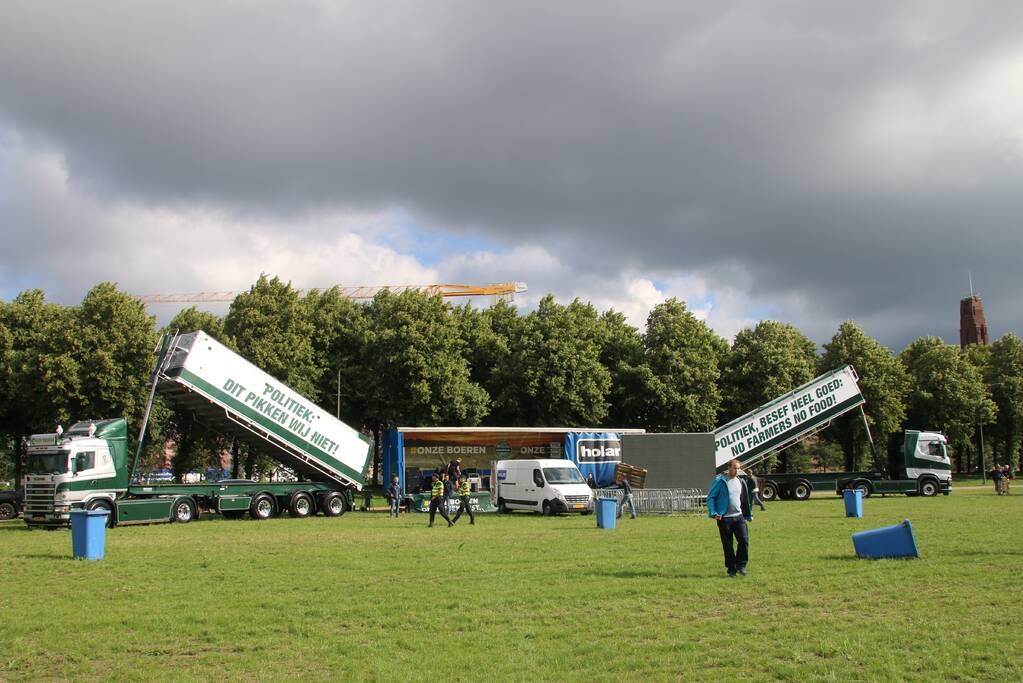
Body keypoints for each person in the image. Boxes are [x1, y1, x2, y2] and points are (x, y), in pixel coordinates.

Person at [707, 459, 753, 578]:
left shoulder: (741, 481)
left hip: (739, 517)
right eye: (735, 468)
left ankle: (741, 566)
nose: (737, 470)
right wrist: (713, 512)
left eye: (739, 468)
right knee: (728, 545)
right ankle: (731, 570)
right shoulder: (720, 481)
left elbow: (745, 500)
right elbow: (711, 497)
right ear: (729, 468)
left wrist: (748, 514)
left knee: (744, 541)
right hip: (724, 519)